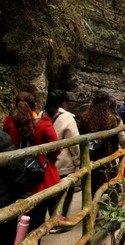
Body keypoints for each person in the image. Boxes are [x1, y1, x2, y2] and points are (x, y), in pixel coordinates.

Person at [3, 91, 61, 245]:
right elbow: (56, 147)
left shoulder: (9, 124)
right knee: (37, 215)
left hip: (14, 176)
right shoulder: (43, 124)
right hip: (38, 176)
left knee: (17, 213)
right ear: (35, 105)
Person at [39, 90, 80, 233]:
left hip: (45, 162)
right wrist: (78, 162)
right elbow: (74, 143)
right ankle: (59, 222)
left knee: (50, 193)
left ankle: (51, 221)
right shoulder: (67, 118)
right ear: (63, 103)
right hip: (63, 163)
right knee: (65, 192)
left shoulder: (41, 115)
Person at [0, 131, 32, 245]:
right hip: (3, 199)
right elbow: (15, 172)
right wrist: (25, 197)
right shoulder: (2, 138)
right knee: (6, 238)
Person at [78, 90, 119, 196]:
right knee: (107, 185)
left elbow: (80, 136)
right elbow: (115, 139)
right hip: (106, 156)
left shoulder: (84, 117)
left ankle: (92, 210)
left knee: (91, 186)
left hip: (89, 156)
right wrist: (116, 152)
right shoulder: (111, 119)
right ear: (107, 103)